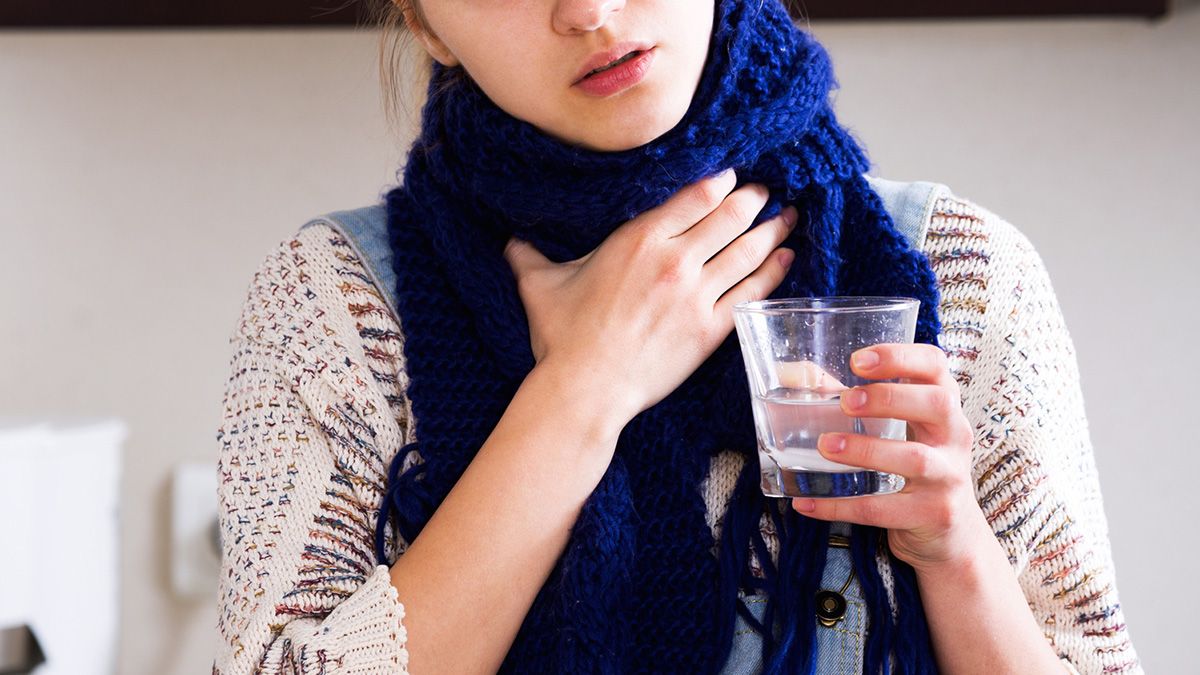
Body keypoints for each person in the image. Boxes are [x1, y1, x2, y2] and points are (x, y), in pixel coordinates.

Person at [212, 0, 1141, 672]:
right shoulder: (339, 300)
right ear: (423, 20)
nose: (588, 11)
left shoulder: (956, 271)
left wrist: (957, 551)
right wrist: (581, 392)